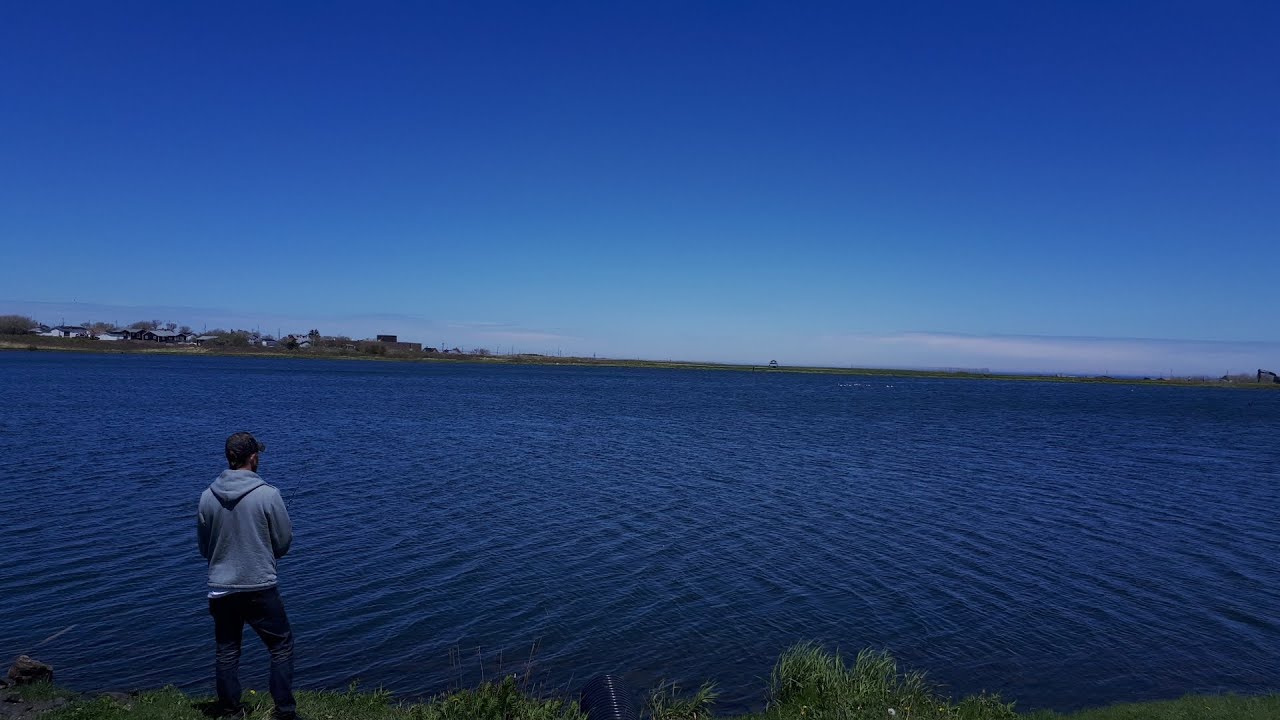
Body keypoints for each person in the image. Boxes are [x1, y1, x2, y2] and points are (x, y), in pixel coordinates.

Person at [197, 432, 302, 720]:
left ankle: (230, 711)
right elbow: (282, 544)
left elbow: (204, 547)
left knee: (227, 650)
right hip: (259, 585)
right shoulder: (269, 494)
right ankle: (284, 712)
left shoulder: (207, 496)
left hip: (221, 587)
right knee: (281, 646)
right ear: (253, 458)